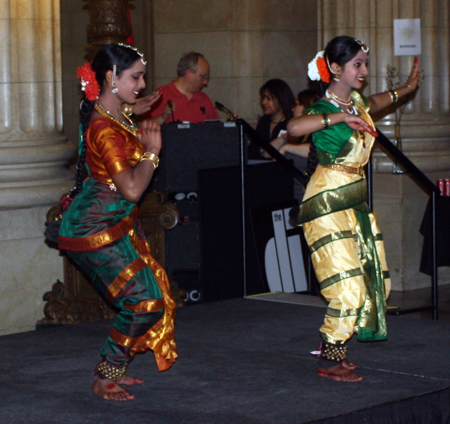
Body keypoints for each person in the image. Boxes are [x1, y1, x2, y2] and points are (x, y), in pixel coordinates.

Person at [287, 35, 420, 382]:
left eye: (365, 63)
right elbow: (293, 128)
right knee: (346, 286)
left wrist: (405, 89)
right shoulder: (322, 109)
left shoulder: (357, 103)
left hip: (353, 201)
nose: (364, 70)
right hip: (325, 202)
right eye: (357, 64)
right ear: (335, 68)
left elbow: (375, 102)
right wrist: (337, 120)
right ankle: (328, 358)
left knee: (367, 278)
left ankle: (336, 352)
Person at [59, 43, 177, 401]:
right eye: (135, 77)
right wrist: (152, 154)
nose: (142, 84)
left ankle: (112, 369)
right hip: (95, 229)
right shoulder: (104, 129)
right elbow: (130, 189)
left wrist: (130, 106)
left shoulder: (111, 114)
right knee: (144, 301)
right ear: (111, 77)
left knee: (150, 297)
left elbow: (117, 118)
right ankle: (105, 374)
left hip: (112, 223)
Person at [140, 51, 220, 124]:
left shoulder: (204, 99)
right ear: (189, 73)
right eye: (203, 77)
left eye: (207, 78)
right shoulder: (161, 95)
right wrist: (162, 118)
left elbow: (216, 129)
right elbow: (139, 127)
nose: (205, 82)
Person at [249, 79, 296, 160]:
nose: (264, 102)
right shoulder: (264, 122)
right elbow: (252, 150)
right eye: (263, 98)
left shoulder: (291, 123)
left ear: (281, 99)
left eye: (268, 98)